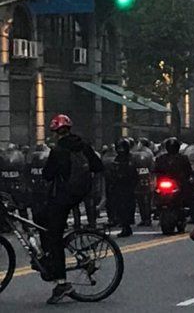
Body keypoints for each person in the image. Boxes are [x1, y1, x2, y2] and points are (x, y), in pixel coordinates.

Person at [39, 114, 103, 304]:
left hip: (63, 197)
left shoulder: (58, 150)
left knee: (53, 235)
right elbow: (98, 166)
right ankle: (50, 257)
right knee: (43, 219)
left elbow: (47, 175)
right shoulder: (84, 145)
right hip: (80, 194)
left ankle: (61, 282)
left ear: (56, 133)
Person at [154, 138, 194, 206]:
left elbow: (188, 171)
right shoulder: (183, 158)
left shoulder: (161, 158)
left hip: (176, 183)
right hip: (172, 183)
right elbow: (188, 171)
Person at [113, 139, 138, 237]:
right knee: (120, 207)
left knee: (128, 206)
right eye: (119, 148)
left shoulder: (131, 158)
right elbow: (114, 171)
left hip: (128, 186)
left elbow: (135, 173)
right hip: (119, 186)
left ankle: (127, 225)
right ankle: (124, 225)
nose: (121, 150)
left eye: (122, 148)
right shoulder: (117, 159)